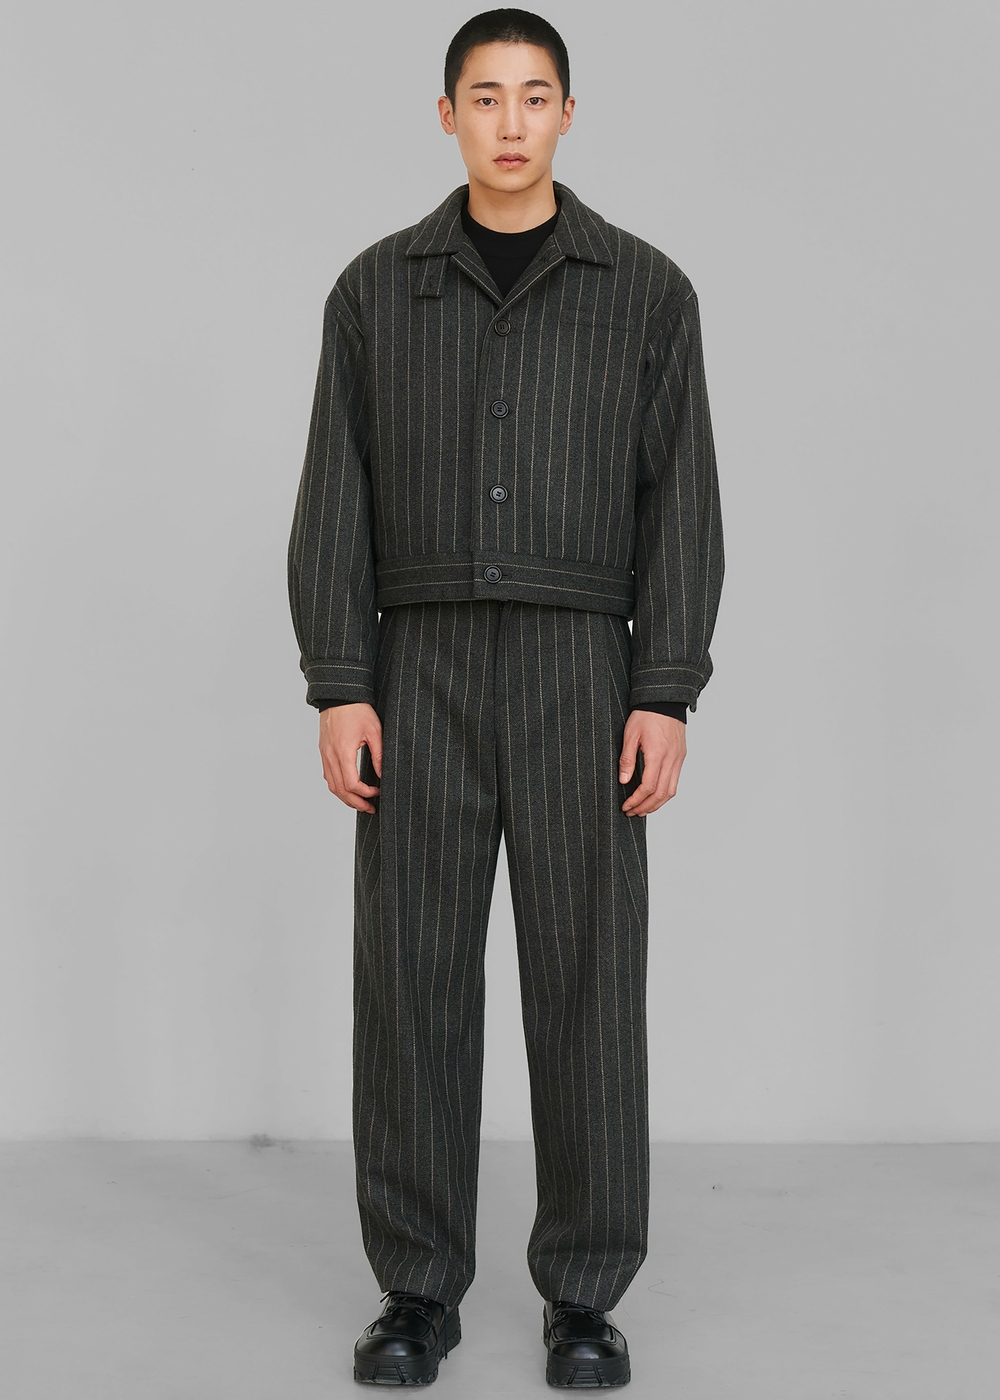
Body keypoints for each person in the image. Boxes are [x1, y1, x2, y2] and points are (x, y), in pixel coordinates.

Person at [287, 8, 724, 1388]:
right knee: (411, 979)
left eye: (536, 96)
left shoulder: (644, 290)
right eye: (486, 96)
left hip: (580, 673)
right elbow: (335, 490)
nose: (512, 121)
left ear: (568, 114)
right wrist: (340, 681)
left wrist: (665, 687)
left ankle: (584, 1297)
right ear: (448, 116)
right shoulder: (375, 289)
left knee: (589, 983)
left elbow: (683, 500)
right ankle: (417, 1290)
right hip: (416, 669)